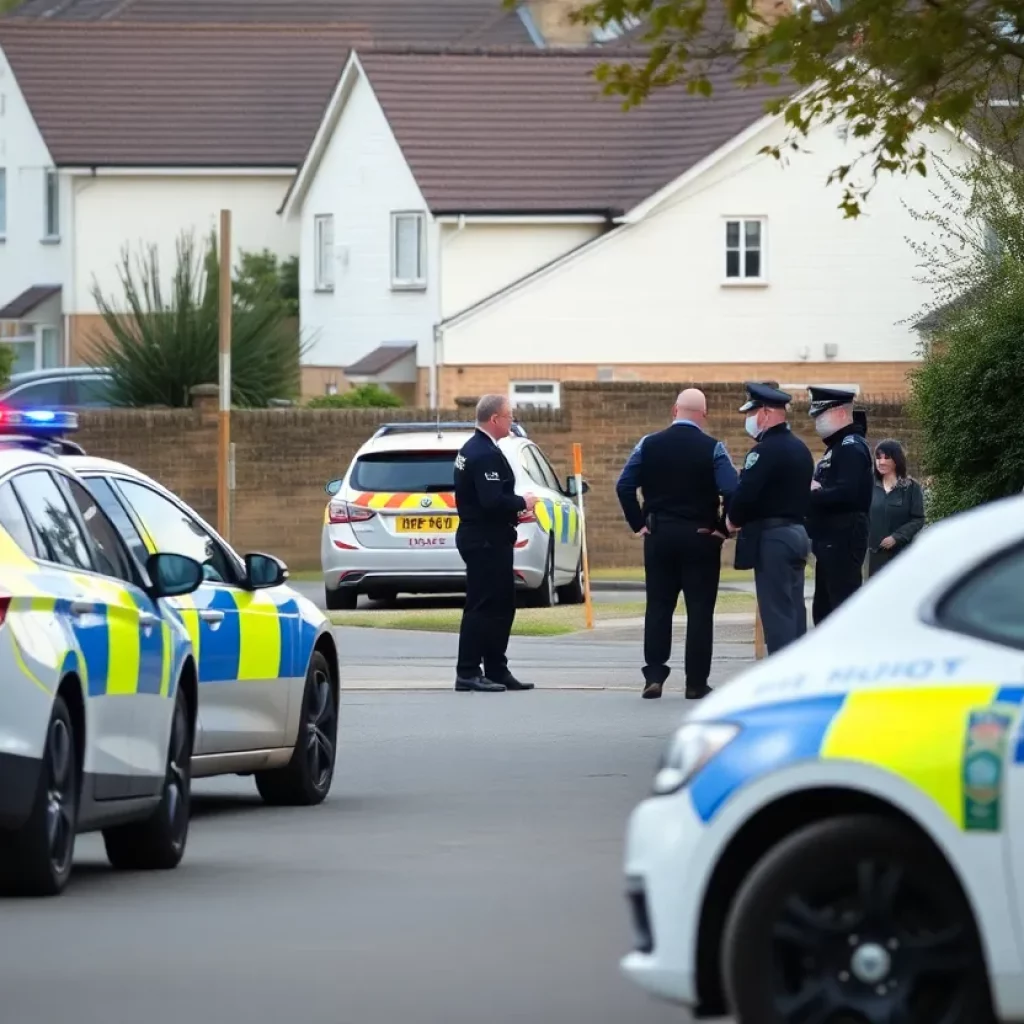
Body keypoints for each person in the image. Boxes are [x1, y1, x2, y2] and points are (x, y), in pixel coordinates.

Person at [615, 388, 739, 700]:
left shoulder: (648, 444)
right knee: (699, 611)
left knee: (658, 606)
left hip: (659, 536)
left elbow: (624, 485)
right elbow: (733, 490)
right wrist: (724, 527)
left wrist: (639, 524)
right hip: (700, 537)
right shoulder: (714, 449)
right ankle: (696, 683)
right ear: (704, 415)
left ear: (674, 410)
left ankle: (654, 674)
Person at [452, 394, 538, 693]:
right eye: (509, 416)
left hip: (489, 536)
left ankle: (497, 668)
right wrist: (521, 502)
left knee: (502, 605)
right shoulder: (483, 453)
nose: (512, 421)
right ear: (495, 419)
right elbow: (491, 500)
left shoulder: (477, 448)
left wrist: (514, 511)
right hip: (485, 540)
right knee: (484, 605)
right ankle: (468, 671)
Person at [726, 383, 814, 654]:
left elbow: (747, 492)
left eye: (751, 412)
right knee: (794, 610)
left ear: (764, 413)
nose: (749, 420)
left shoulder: (764, 451)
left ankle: (784, 675)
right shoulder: (800, 448)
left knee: (777, 614)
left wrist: (731, 520)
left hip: (773, 537)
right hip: (797, 533)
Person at [806, 385, 874, 625]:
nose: (817, 421)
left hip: (843, 536)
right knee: (825, 610)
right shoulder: (836, 447)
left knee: (840, 609)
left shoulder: (850, 447)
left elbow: (847, 493)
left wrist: (813, 494)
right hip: (830, 538)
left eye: (820, 414)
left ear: (840, 414)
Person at [867, 438, 926, 577]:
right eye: (878, 458)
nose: (881, 462)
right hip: (875, 555)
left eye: (887, 457)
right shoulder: (868, 486)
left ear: (896, 460)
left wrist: (896, 537)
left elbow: (918, 519)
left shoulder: (911, 488)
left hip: (901, 555)